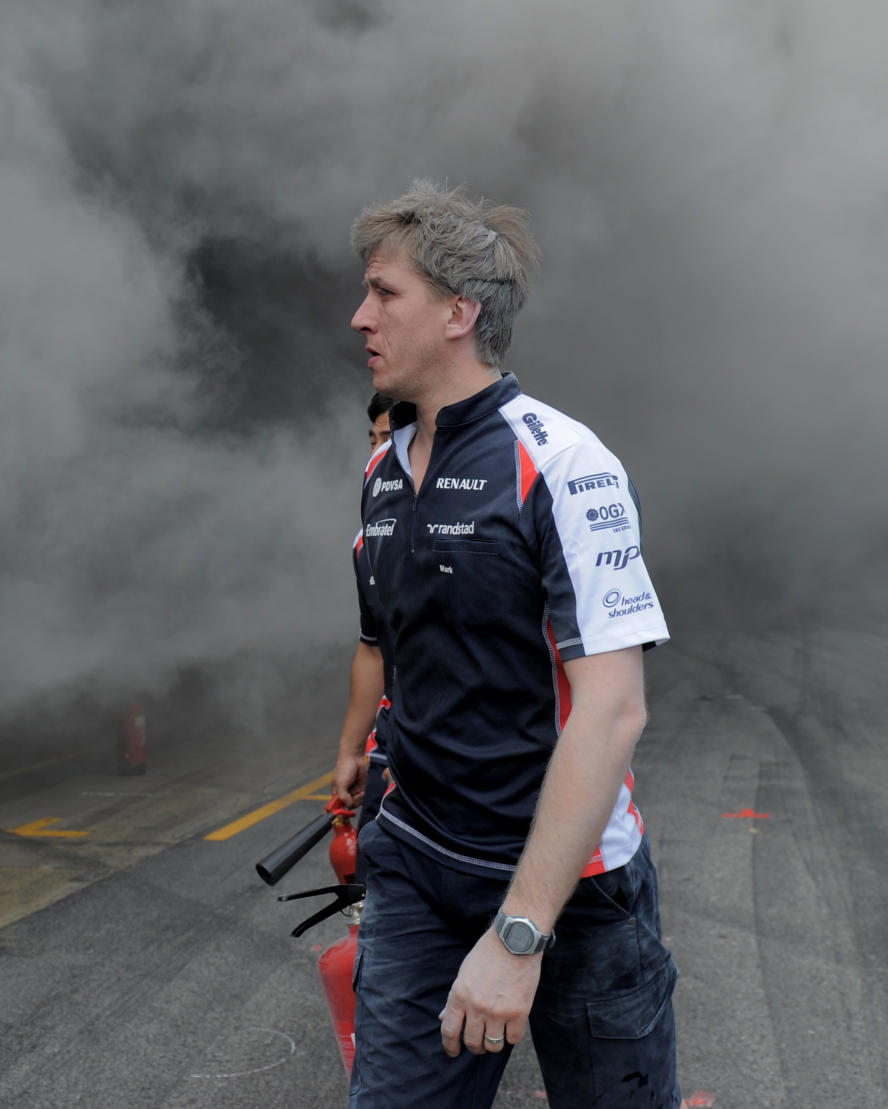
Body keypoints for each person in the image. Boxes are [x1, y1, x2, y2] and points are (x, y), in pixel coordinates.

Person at [344, 181, 685, 1109]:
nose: (359, 315)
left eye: (384, 293)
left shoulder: (567, 463)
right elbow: (400, 662)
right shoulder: (380, 470)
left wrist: (520, 932)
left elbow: (613, 707)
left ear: (459, 313)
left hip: (571, 890)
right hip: (419, 866)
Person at [332, 393, 396, 842]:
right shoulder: (367, 540)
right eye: (372, 439)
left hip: (473, 769)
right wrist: (351, 751)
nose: (376, 452)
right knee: (369, 900)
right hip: (391, 754)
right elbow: (372, 649)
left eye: (389, 439)